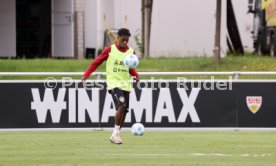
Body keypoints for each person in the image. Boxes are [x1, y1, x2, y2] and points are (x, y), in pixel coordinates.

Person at [81, 28, 139, 144]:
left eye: (127, 41)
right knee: (121, 105)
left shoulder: (131, 52)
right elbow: (96, 62)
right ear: (117, 38)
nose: (125, 43)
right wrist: (86, 75)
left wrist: (136, 75)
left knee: (125, 110)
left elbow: (130, 68)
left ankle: (115, 135)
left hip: (125, 84)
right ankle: (116, 133)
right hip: (114, 84)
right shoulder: (110, 50)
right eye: (123, 40)